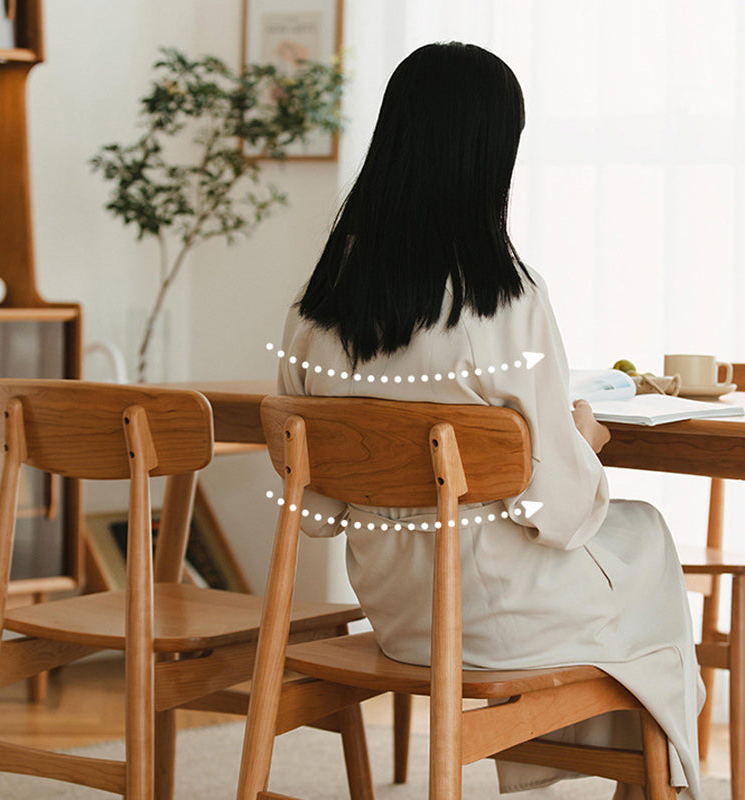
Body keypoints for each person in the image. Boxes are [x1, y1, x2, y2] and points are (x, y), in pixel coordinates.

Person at [277, 42, 702, 799]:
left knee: (631, 557)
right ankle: (647, 784)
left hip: (400, 616)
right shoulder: (503, 296)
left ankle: (602, 776)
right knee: (644, 543)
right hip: (492, 618)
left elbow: (315, 513)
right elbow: (561, 512)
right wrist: (584, 438)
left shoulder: (321, 303)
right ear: (488, 155)